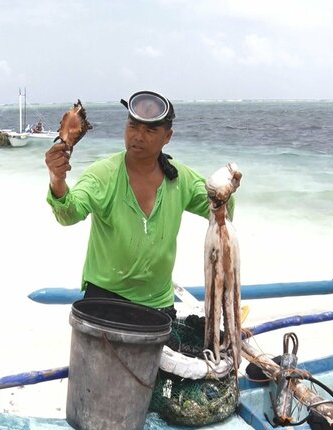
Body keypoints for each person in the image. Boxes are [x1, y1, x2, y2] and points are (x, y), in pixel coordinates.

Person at [44, 91, 233, 318]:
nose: (138, 136)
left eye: (150, 130)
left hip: (159, 303)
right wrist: (57, 179)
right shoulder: (103, 174)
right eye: (133, 126)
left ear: (167, 136)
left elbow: (222, 212)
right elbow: (68, 214)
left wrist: (226, 189)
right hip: (104, 299)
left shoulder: (179, 177)